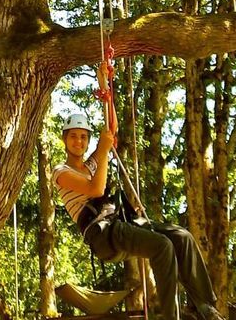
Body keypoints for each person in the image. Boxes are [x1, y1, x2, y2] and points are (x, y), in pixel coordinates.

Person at [52, 113, 225, 320]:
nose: (78, 141)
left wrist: (105, 84)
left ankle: (203, 307)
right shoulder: (60, 172)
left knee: (182, 237)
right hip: (103, 234)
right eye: (73, 136)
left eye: (83, 136)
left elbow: (111, 126)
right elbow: (96, 189)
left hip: (119, 223)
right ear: (64, 139)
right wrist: (104, 149)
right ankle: (171, 316)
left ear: (88, 140)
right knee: (163, 246)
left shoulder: (91, 165)